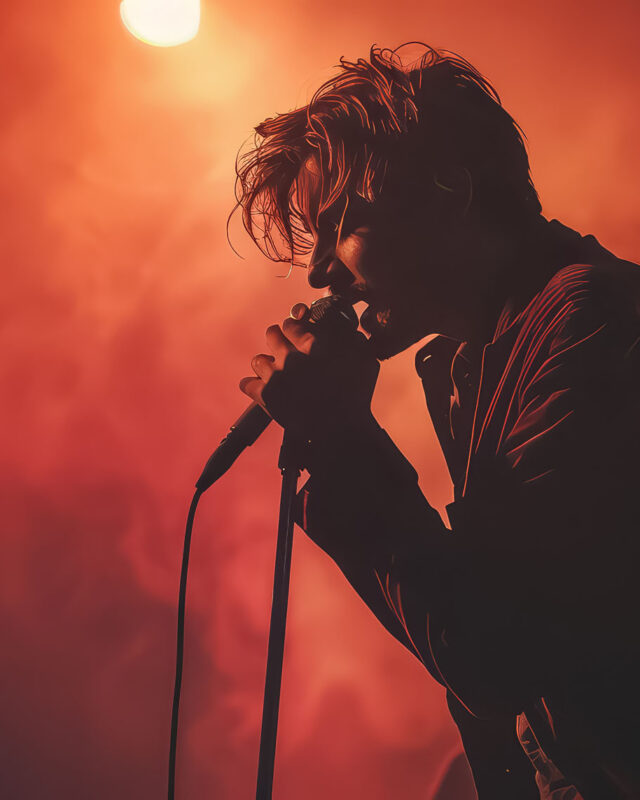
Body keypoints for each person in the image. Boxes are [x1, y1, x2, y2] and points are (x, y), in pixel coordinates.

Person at [235, 43, 640, 799]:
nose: (320, 272)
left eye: (339, 226)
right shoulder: (469, 365)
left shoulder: (593, 325)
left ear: (447, 190)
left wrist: (344, 440)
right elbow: (485, 636)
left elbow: (500, 657)